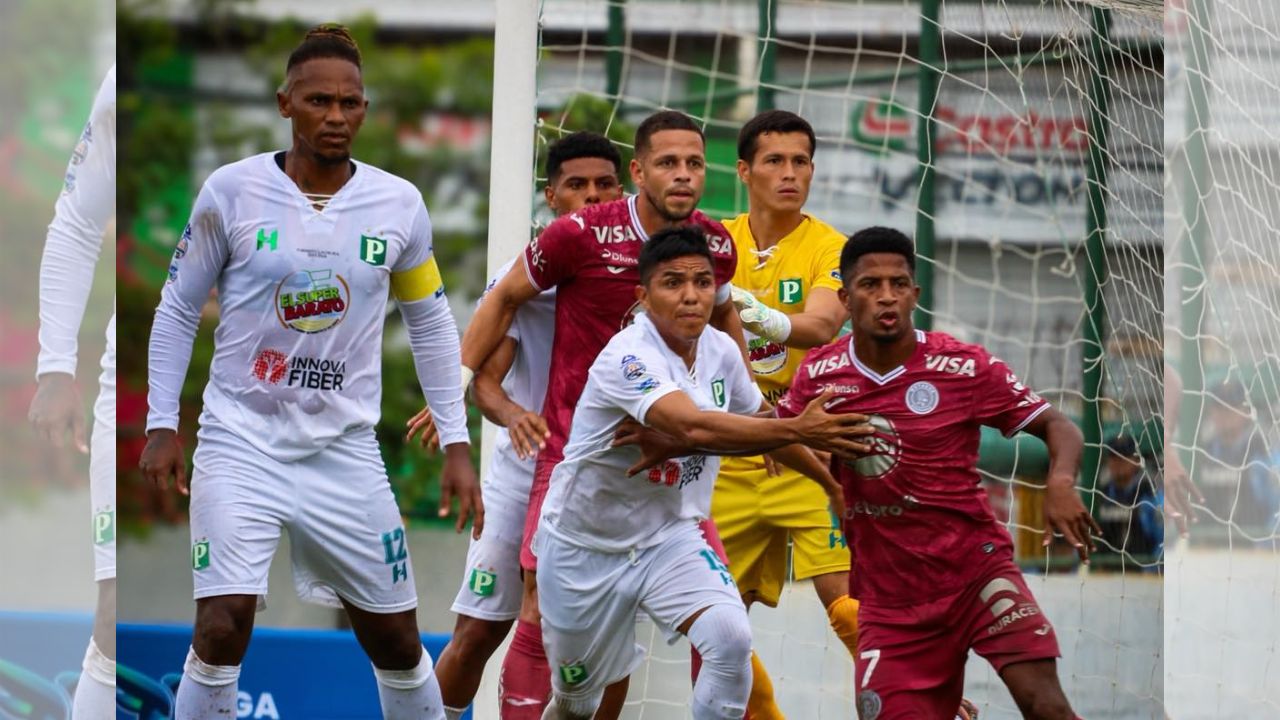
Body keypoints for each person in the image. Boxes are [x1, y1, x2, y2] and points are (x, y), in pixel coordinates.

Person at [138, 26, 479, 720]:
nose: (335, 116)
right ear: (285, 103)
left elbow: (431, 324)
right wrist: (161, 422)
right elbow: (176, 307)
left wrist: (456, 440)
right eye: (319, 100)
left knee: (396, 639)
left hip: (343, 449)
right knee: (222, 624)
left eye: (350, 103)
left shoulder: (399, 205)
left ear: (365, 109)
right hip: (240, 439)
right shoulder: (230, 192)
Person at [459, 110, 745, 717]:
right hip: (570, 460)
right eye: (668, 163)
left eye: (694, 163)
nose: (683, 174)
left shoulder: (715, 245)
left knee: (723, 625)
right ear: (641, 171)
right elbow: (503, 304)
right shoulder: (573, 239)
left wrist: (750, 415)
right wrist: (451, 392)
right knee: (517, 619)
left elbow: (724, 322)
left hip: (671, 466)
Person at [537, 226, 868, 720]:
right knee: (577, 703)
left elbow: (762, 422)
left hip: (669, 537)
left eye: (702, 282)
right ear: (643, 296)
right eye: (673, 283)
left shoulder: (721, 350)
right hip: (584, 547)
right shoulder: (628, 356)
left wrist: (830, 483)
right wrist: (798, 427)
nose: (691, 295)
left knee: (730, 638)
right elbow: (691, 426)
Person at [774, 227, 1096, 719]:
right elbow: (778, 431)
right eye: (870, 285)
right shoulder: (820, 374)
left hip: (978, 574)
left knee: (1045, 705)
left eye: (899, 284)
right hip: (890, 603)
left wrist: (1060, 482)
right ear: (845, 299)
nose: (887, 296)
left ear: (915, 293)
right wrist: (813, 464)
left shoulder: (964, 366)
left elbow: (1058, 425)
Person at [407, 131, 625, 719]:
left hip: (611, 477)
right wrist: (512, 415)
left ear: (623, 191)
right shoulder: (524, 278)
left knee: (608, 646)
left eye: (604, 184)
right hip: (524, 474)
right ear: (551, 196)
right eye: (576, 185)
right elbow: (485, 380)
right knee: (478, 632)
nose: (591, 195)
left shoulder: (646, 274)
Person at [712, 110, 855, 718]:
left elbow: (821, 325)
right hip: (728, 454)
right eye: (775, 161)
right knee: (717, 629)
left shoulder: (831, 247)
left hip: (811, 449)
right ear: (745, 171)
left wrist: (738, 303)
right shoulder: (714, 241)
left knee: (847, 605)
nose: (790, 173)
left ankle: (925, 701)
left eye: (801, 162)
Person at [26, 64, 117, 719]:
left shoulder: (310, 89)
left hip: (256, 395)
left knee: (228, 616)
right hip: (135, 380)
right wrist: (55, 367)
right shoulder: (124, 83)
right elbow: (79, 222)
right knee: (115, 609)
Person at [1096, 435, 1162, 571]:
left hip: (1143, 574)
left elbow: (1162, 541)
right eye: (1114, 457)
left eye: (1124, 456)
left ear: (1136, 460)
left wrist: (1150, 571)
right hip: (1104, 575)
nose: (1118, 462)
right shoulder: (1100, 495)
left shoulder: (1150, 495)